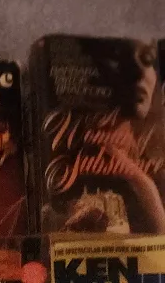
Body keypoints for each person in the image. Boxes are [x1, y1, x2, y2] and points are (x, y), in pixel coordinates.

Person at [55, 39, 165, 235]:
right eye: (121, 60)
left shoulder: (155, 161)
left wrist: (142, 182)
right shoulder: (64, 161)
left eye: (147, 59)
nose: (139, 73)